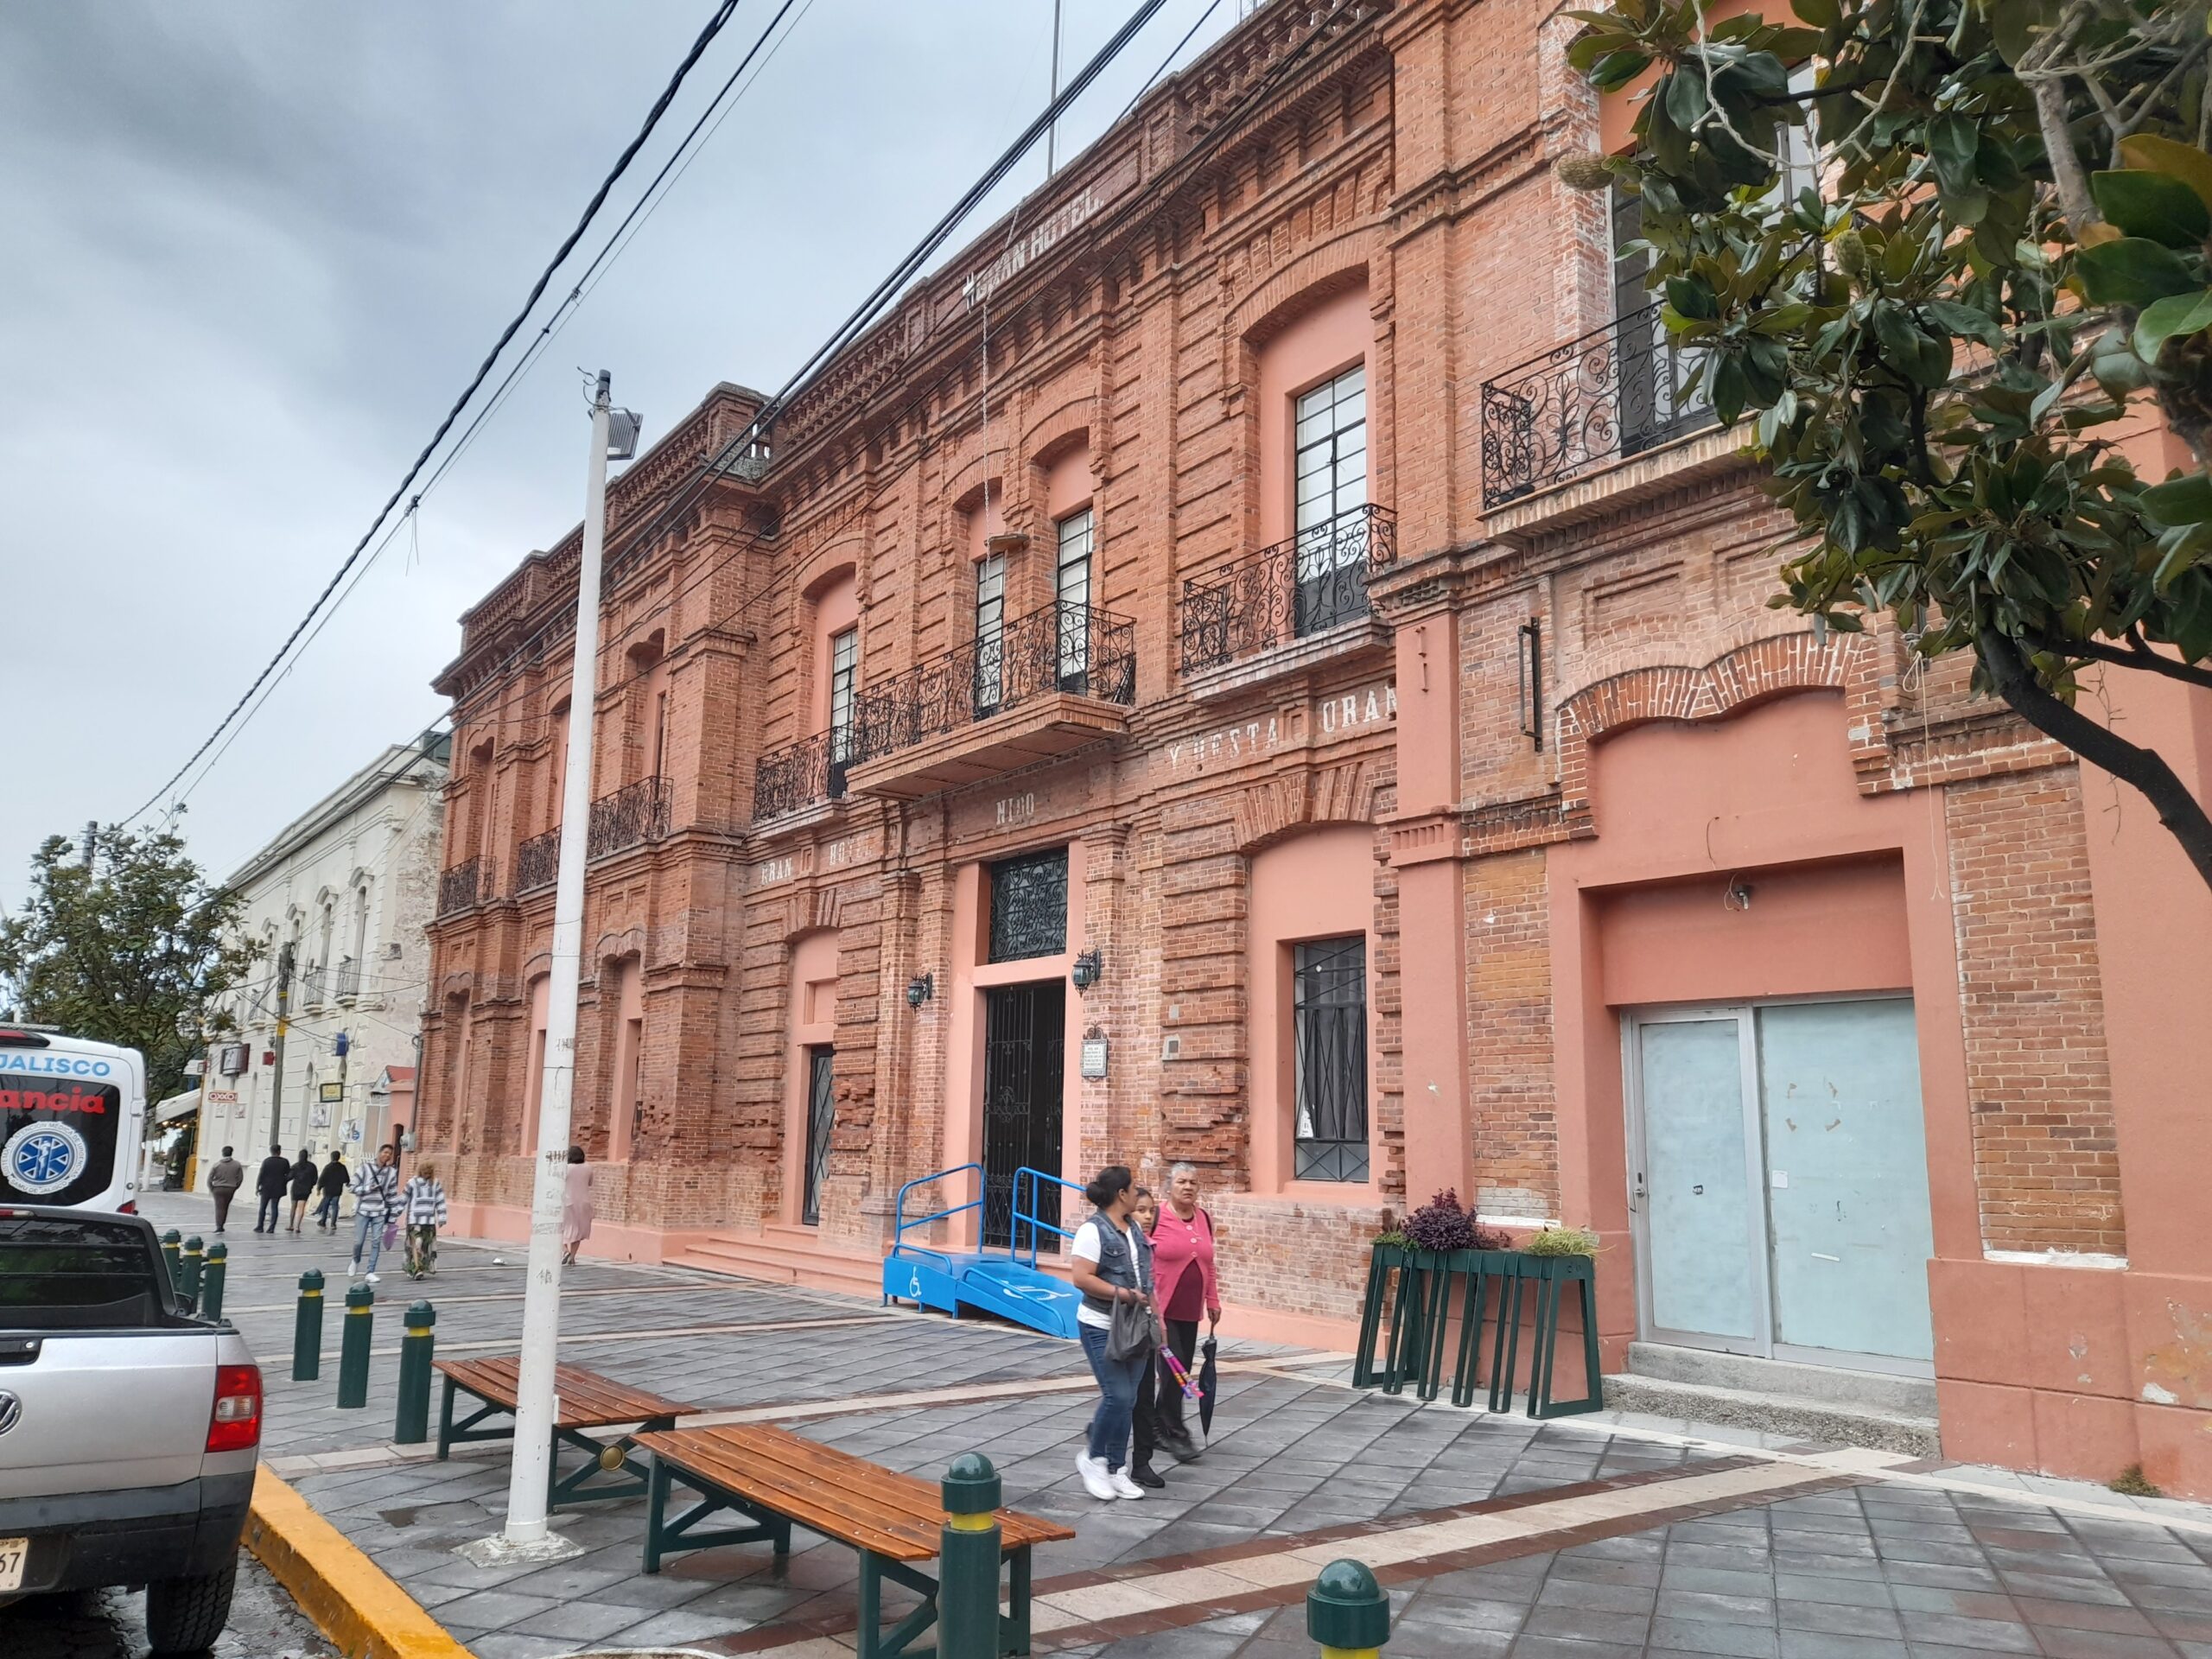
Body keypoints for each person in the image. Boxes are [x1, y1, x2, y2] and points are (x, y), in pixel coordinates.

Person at [1068, 1165, 1155, 1503]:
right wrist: (1125, 1295)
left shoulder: (1134, 1229)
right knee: (1117, 1395)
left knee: (1129, 1399)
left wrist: (1154, 1315)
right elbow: (1082, 1278)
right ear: (1121, 1194)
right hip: (1101, 1325)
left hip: (1137, 1325)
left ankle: (1117, 1468)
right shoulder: (1093, 1231)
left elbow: (1146, 1277)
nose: (1138, 1194)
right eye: (1134, 1189)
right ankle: (1093, 1458)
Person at [1146, 1162, 1222, 1464]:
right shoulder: (1156, 1217)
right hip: (1162, 1310)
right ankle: (1175, 1432)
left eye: (1193, 1182)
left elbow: (1209, 1263)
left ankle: (1154, 1426)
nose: (1188, 1187)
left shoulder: (1203, 1217)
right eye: (1181, 1182)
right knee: (1175, 1373)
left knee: (1177, 1372)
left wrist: (1212, 1300)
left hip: (1190, 1309)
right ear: (1168, 1187)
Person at [1125, 1188, 1168, 1490]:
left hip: (1144, 1329)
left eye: (1151, 1210)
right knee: (1120, 1398)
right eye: (1141, 1210)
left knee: (1143, 1399)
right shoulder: (1119, 1243)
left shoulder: (1148, 1247)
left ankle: (1141, 1462)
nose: (1148, 1216)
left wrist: (1160, 1327)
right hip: (1119, 1329)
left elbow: (1152, 1290)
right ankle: (1103, 1445)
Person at [348, 1143, 401, 1282]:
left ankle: (370, 1271)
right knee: (359, 1241)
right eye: (385, 1152)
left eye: (390, 1153)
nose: (387, 1155)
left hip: (379, 1211)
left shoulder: (391, 1173)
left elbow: (392, 1194)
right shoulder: (365, 1168)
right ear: (379, 1153)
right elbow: (352, 1187)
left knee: (376, 1241)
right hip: (364, 1209)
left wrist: (393, 1216)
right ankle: (355, 1260)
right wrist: (367, 1188)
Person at [400, 1160, 448, 1279]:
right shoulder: (412, 1183)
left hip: (429, 1221)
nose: (427, 1173)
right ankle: (417, 1269)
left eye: (429, 1170)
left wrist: (442, 1217)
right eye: (425, 1170)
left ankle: (416, 1267)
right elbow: (404, 1198)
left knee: (424, 1246)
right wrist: (395, 1212)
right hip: (414, 1220)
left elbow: (440, 1200)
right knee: (417, 1243)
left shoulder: (435, 1184)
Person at [562, 1146, 593, 1267]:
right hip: (584, 1203)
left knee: (561, 1228)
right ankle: (572, 1257)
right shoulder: (588, 1168)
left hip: (567, 1202)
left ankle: (565, 1251)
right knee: (578, 1231)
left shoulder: (566, 1168)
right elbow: (590, 1183)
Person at [206, 1147, 245, 1234]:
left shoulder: (217, 1165)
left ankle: (219, 1226)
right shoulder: (237, 1165)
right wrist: (235, 1187)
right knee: (225, 1207)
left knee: (219, 1207)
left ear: (223, 1153)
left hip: (218, 1188)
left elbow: (209, 1179)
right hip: (230, 1188)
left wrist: (212, 1188)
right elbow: (240, 1178)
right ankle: (222, 1224)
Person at [254, 1145, 290, 1234]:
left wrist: (257, 1186)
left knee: (263, 1207)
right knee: (274, 1207)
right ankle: (271, 1227)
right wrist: (284, 1181)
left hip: (266, 1187)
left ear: (271, 1151)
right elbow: (289, 1174)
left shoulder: (267, 1161)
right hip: (278, 1187)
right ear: (279, 1151)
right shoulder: (284, 1162)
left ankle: (260, 1226)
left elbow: (261, 1174)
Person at [285, 1147, 319, 1234]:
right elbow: (315, 1179)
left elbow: (289, 1177)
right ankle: (297, 1227)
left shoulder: (296, 1166)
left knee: (293, 1207)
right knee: (301, 1207)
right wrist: (311, 1185)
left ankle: (291, 1224)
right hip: (305, 1189)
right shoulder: (312, 1166)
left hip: (296, 1188)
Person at [314, 1150, 349, 1232]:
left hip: (328, 1190)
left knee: (325, 1206)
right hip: (337, 1190)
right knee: (335, 1206)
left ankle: (323, 1221)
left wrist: (319, 1188)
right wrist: (346, 1183)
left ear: (331, 1157)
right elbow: (346, 1179)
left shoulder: (328, 1167)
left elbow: (322, 1178)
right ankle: (333, 1224)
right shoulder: (342, 1167)